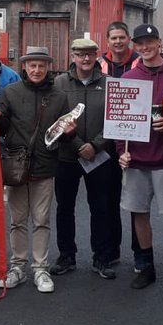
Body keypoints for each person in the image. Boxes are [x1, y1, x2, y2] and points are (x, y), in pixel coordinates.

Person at [117, 23, 163, 294]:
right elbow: (118, 120)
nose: (145, 47)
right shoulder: (128, 78)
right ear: (134, 46)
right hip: (136, 160)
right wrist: (120, 151)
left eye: (150, 41)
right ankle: (147, 266)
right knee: (139, 214)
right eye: (140, 43)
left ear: (160, 42)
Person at [0, 47, 73, 294]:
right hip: (16, 167)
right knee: (17, 221)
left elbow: (65, 136)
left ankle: (40, 269)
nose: (36, 70)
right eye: (32, 65)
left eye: (41, 65)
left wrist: (70, 132)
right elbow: (1, 127)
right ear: (25, 67)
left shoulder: (59, 97)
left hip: (46, 166)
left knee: (42, 221)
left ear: (48, 66)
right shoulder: (11, 92)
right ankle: (17, 267)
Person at [50, 37, 119, 279]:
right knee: (64, 208)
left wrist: (96, 145)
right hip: (67, 156)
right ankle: (66, 255)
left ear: (97, 56)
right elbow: (56, 118)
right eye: (80, 54)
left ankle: (101, 257)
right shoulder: (58, 83)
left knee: (100, 208)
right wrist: (80, 145)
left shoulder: (111, 84)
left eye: (90, 54)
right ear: (73, 56)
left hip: (99, 157)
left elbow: (116, 119)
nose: (86, 59)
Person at [100, 20, 139, 259]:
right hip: (107, 141)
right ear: (107, 41)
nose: (117, 42)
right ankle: (112, 250)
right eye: (113, 38)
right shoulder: (98, 65)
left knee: (136, 202)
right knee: (109, 200)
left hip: (134, 140)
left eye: (121, 37)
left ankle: (139, 252)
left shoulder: (139, 62)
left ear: (128, 39)